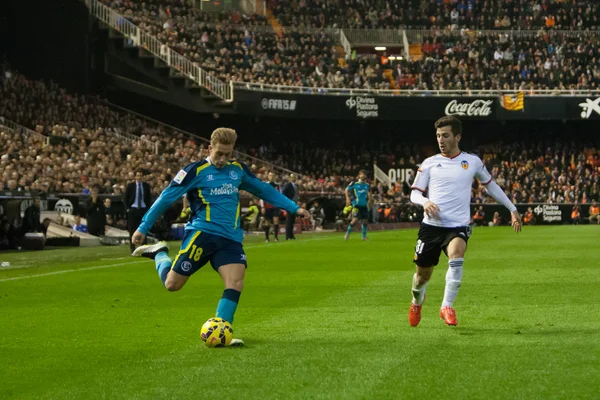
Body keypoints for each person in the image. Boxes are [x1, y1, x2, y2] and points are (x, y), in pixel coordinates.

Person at [131, 128, 309, 346]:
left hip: (230, 239)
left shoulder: (238, 171)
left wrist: (294, 208)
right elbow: (165, 199)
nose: (223, 159)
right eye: (219, 154)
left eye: (228, 154)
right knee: (172, 285)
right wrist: (142, 227)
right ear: (209, 149)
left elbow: (264, 190)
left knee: (235, 281)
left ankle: (222, 330)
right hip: (202, 235)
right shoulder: (194, 171)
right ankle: (160, 254)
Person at [408, 116, 522, 327]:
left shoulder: (472, 161)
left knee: (457, 253)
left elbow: (490, 186)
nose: (441, 140)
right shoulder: (429, 163)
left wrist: (512, 208)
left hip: (458, 225)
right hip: (431, 227)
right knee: (422, 277)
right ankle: (417, 301)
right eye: (438, 136)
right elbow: (414, 193)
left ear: (457, 136)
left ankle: (446, 306)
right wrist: (424, 202)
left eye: (445, 135)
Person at [125, 170, 151, 253]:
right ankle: (133, 248)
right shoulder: (130, 186)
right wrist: (128, 209)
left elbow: (149, 199)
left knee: (144, 228)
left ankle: (144, 248)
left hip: (143, 209)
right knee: (132, 229)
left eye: (141, 176)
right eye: (138, 175)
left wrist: (148, 209)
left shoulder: (146, 186)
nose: (139, 177)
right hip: (133, 209)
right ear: (135, 177)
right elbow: (125, 198)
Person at [345, 170, 371, 241]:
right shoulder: (354, 183)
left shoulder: (367, 185)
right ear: (359, 175)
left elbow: (369, 193)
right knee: (354, 220)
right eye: (362, 174)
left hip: (364, 205)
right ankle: (347, 233)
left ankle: (363, 237)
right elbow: (346, 190)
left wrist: (369, 201)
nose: (363, 176)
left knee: (365, 221)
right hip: (356, 204)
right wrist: (347, 199)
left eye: (364, 174)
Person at [261, 172, 281, 242]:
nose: (271, 177)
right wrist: (262, 206)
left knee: (276, 220)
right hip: (267, 206)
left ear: (275, 176)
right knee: (267, 222)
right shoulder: (265, 185)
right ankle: (267, 238)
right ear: (268, 176)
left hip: (275, 205)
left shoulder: (277, 186)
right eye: (270, 175)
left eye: (273, 175)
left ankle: (276, 237)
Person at [282, 174, 299, 240]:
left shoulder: (296, 185)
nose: (293, 178)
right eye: (292, 177)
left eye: (294, 177)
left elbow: (296, 194)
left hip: (294, 204)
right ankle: (288, 235)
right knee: (289, 220)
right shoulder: (288, 185)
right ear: (290, 178)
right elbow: (283, 193)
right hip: (290, 204)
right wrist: (288, 201)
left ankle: (291, 235)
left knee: (292, 220)